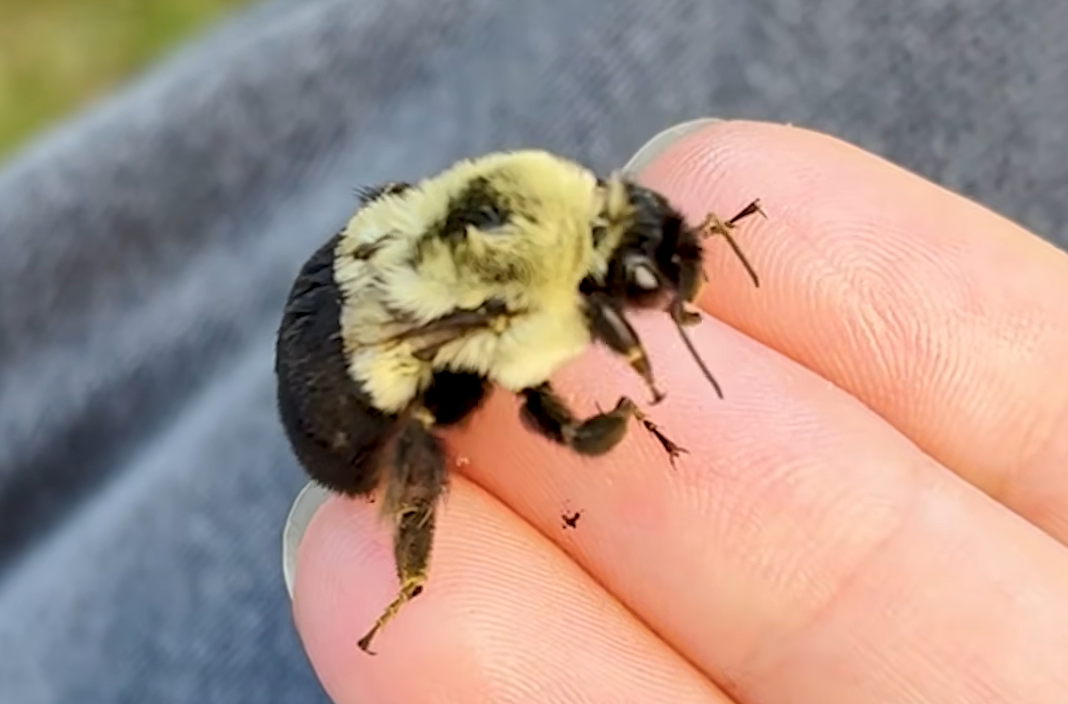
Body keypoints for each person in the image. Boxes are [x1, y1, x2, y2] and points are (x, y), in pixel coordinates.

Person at [1, 1, 1066, 703]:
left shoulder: (545, 203)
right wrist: (620, 404)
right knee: (474, 425)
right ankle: (406, 580)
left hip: (357, 277)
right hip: (346, 384)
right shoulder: (518, 299)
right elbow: (540, 385)